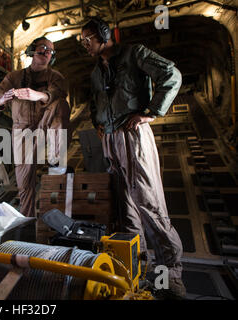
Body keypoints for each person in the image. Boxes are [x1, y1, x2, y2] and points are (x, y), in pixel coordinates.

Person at [81, 17, 185, 299]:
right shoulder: (96, 72)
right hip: (111, 140)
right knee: (125, 208)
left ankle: (171, 275)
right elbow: (95, 101)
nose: (84, 44)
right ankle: (136, 271)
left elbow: (171, 75)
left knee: (149, 202)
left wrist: (151, 112)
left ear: (104, 35)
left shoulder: (134, 54)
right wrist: (97, 123)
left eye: (87, 38)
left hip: (134, 134)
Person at [0, 37, 70, 218]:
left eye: (51, 51)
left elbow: (58, 93)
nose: (47, 53)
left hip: (45, 123)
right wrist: (2, 99)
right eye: (43, 48)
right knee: (24, 183)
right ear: (32, 50)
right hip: (23, 130)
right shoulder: (15, 77)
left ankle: (56, 160)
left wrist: (38, 95)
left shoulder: (55, 77)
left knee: (61, 105)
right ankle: (26, 222)